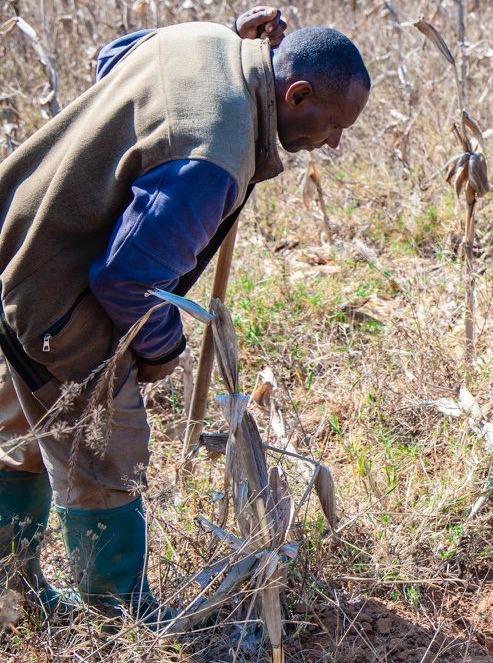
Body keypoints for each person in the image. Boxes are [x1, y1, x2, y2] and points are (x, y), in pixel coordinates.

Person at [0, 10, 370, 623]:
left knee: (19, 436)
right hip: (59, 305)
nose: (333, 143)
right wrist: (162, 350)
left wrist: (232, 38)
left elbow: (114, 61)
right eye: (331, 125)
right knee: (106, 461)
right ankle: (117, 624)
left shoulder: (203, 39)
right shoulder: (217, 156)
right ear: (295, 94)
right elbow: (127, 278)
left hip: (18, 253)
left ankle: (13, 592)